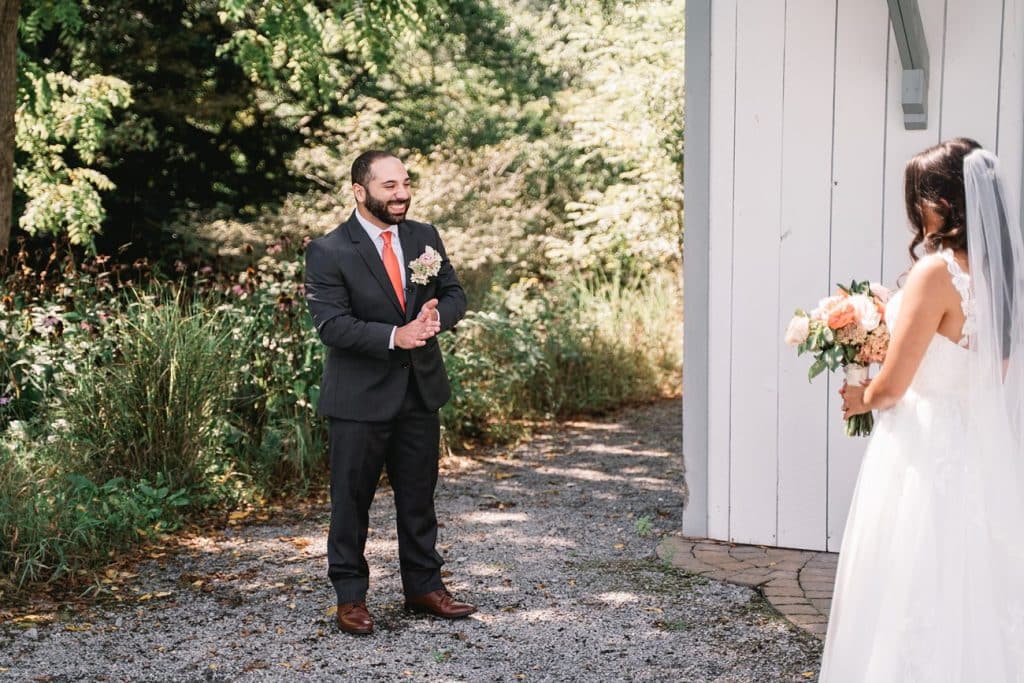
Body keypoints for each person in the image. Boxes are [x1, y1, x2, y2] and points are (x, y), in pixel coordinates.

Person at [819, 137, 1024, 680]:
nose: (916, 210)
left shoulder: (938, 273)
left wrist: (861, 396)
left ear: (945, 200)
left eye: (920, 198)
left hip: (921, 446)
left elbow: (892, 387)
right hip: (975, 444)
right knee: (969, 580)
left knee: (908, 577)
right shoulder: (1001, 276)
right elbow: (990, 374)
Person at [304, 150, 475, 635]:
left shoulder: (424, 237)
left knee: (420, 499)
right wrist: (394, 336)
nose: (401, 194)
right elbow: (332, 326)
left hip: (419, 391)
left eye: (405, 183)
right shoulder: (329, 250)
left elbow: (454, 291)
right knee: (351, 502)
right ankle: (351, 598)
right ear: (360, 192)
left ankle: (423, 587)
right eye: (389, 187)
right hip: (358, 401)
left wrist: (436, 319)